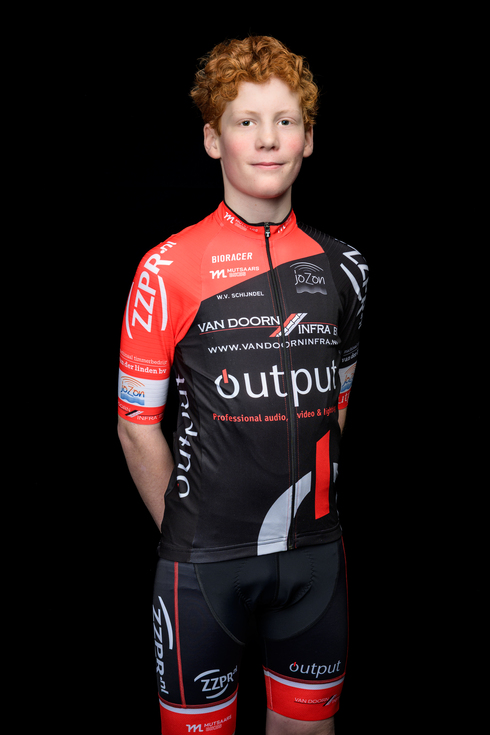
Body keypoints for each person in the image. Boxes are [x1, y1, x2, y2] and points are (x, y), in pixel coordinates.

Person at [117, 35, 368, 735]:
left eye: (286, 121)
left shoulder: (346, 267)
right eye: (245, 121)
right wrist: (190, 535)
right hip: (203, 567)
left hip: (316, 560)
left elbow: (336, 406)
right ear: (212, 139)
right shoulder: (166, 268)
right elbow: (136, 425)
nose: (267, 139)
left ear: (308, 139)